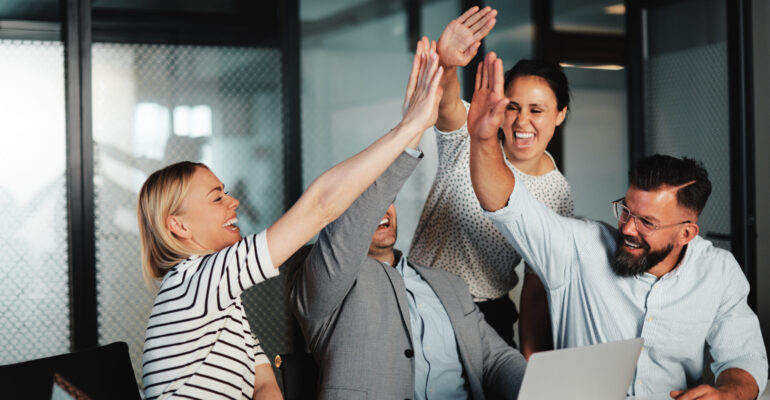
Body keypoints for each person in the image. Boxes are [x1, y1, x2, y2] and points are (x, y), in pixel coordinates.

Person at [137, 40, 444, 400]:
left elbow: (265, 384)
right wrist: (408, 128)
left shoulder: (219, 296)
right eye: (217, 197)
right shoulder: (194, 283)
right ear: (179, 226)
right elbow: (320, 206)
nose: (233, 201)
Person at [466, 51, 767, 398]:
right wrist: (484, 139)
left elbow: (744, 356)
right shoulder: (579, 246)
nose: (627, 228)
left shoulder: (718, 272)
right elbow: (506, 202)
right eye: (626, 210)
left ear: (687, 233)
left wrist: (730, 392)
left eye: (647, 223)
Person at [286, 146, 526, 400]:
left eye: (388, 199)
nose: (383, 209)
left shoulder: (448, 284)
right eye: (365, 202)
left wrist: (539, 386)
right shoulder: (316, 272)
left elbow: (496, 359)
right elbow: (342, 243)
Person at [409, 6, 573, 356]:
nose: (521, 121)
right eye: (513, 107)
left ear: (560, 115)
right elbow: (448, 102)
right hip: (420, 299)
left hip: (487, 316)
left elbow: (536, 284)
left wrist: (530, 361)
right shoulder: (475, 129)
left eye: (537, 109)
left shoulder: (557, 193)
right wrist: (447, 62)